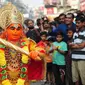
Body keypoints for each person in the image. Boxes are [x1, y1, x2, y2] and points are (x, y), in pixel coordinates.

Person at [0, 3, 46, 85]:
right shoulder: (1, 42)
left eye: (18, 29)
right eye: (12, 28)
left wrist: (36, 53)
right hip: (3, 80)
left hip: (23, 80)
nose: (15, 31)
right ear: (6, 30)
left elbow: (41, 51)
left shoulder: (28, 43)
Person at [69, 16, 85, 85]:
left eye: (78, 23)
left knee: (83, 77)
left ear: (84, 23)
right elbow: (71, 45)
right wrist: (77, 45)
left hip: (82, 59)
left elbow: (82, 46)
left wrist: (75, 45)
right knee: (75, 78)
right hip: (74, 58)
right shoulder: (75, 33)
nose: (77, 24)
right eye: (76, 23)